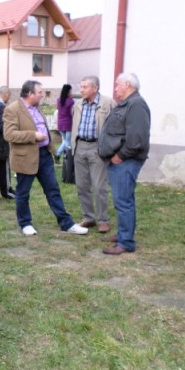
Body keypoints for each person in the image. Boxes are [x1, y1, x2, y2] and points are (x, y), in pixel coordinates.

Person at [2, 80, 88, 236]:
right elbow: (9, 134)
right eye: (40, 92)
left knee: (53, 190)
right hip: (26, 158)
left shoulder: (36, 107)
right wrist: (33, 136)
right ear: (30, 94)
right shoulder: (12, 109)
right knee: (23, 192)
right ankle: (25, 223)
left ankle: (66, 223)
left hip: (44, 155)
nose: (42, 95)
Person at [98, 72, 151, 255]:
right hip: (122, 160)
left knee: (123, 201)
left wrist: (120, 155)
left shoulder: (136, 104)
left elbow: (136, 139)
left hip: (126, 160)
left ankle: (126, 242)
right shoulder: (128, 103)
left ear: (127, 84)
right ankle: (122, 234)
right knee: (122, 199)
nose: (115, 89)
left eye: (117, 85)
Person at [71, 76, 116, 234]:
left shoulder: (108, 103)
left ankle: (103, 220)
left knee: (99, 186)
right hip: (80, 146)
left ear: (95, 88)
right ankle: (88, 217)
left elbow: (116, 126)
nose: (81, 90)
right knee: (81, 185)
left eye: (85, 87)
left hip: (98, 148)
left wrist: (110, 148)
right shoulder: (78, 104)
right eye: (81, 86)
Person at [55, 83, 74, 163]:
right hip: (68, 123)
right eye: (70, 91)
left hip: (60, 123)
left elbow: (58, 109)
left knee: (65, 141)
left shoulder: (58, 100)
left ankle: (58, 155)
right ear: (68, 92)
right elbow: (72, 113)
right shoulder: (71, 101)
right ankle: (62, 156)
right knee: (68, 142)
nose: (71, 93)